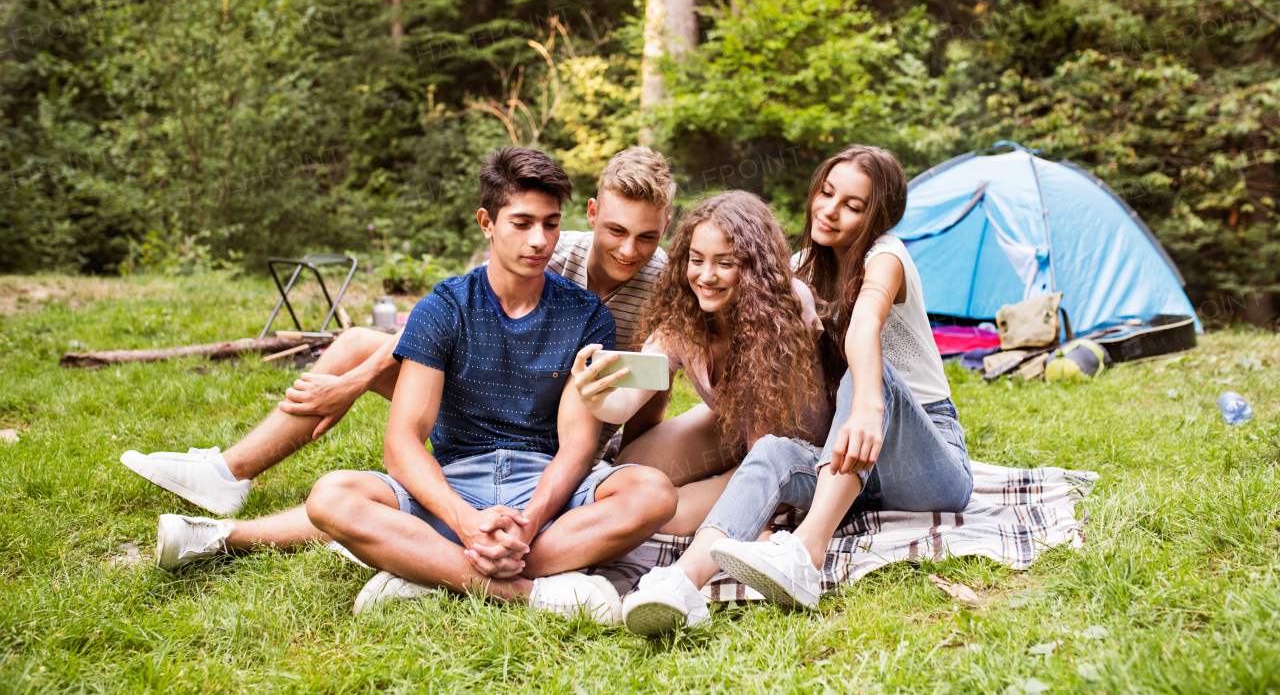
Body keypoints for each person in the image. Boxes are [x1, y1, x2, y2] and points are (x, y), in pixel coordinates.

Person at [148, 148, 678, 621]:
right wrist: (467, 522)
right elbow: (402, 441)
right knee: (332, 496)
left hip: (543, 486)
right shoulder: (445, 306)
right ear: (487, 224)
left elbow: (579, 441)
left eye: (548, 224)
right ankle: (522, 592)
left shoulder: (587, 313)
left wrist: (530, 516)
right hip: (456, 482)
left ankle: (426, 569)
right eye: (521, 223)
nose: (538, 240)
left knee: (651, 493)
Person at [617, 145, 974, 635]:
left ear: (880, 213)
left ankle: (806, 552)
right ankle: (681, 584)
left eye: (853, 204)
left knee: (869, 373)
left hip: (923, 455)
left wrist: (867, 404)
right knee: (770, 452)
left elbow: (863, 328)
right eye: (826, 193)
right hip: (849, 464)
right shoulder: (801, 267)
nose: (830, 209)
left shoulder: (885, 256)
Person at [567, 190, 832, 633]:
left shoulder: (786, 308)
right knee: (628, 471)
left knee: (654, 514)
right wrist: (596, 396)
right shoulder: (684, 319)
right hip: (732, 427)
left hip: (789, 452)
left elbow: (763, 445)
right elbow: (634, 389)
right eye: (696, 259)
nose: (705, 276)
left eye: (725, 263)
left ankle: (749, 534)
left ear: (754, 267)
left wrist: (756, 517)